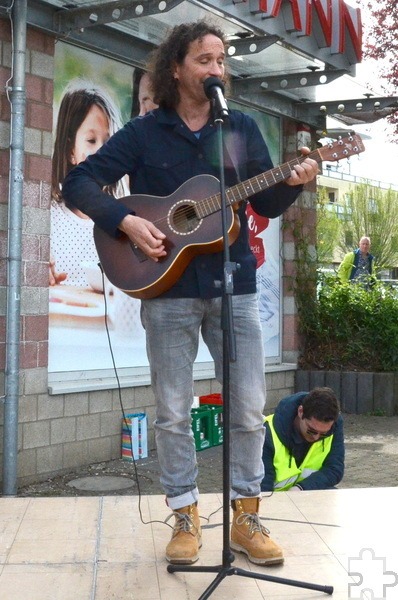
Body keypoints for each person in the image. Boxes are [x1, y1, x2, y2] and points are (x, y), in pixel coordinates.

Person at [62, 21, 319, 566]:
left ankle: (245, 518)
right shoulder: (144, 131)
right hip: (168, 290)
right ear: (176, 67)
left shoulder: (241, 126)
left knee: (249, 409)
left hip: (236, 288)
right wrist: (127, 221)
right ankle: (183, 518)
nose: (216, 70)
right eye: (205, 60)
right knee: (174, 413)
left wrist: (294, 182)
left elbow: (266, 206)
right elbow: (78, 182)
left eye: (222, 61)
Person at [50, 80, 129, 286]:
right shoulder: (50, 217)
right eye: (91, 141)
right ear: (70, 151)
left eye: (109, 142)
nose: (102, 152)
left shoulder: (126, 215)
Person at [261, 388, 344, 492]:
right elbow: (263, 488)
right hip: (275, 500)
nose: (316, 437)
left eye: (323, 434)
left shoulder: (334, 427)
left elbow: (334, 469)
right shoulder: (266, 434)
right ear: (300, 412)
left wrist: (301, 488)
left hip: (305, 493)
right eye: (311, 431)